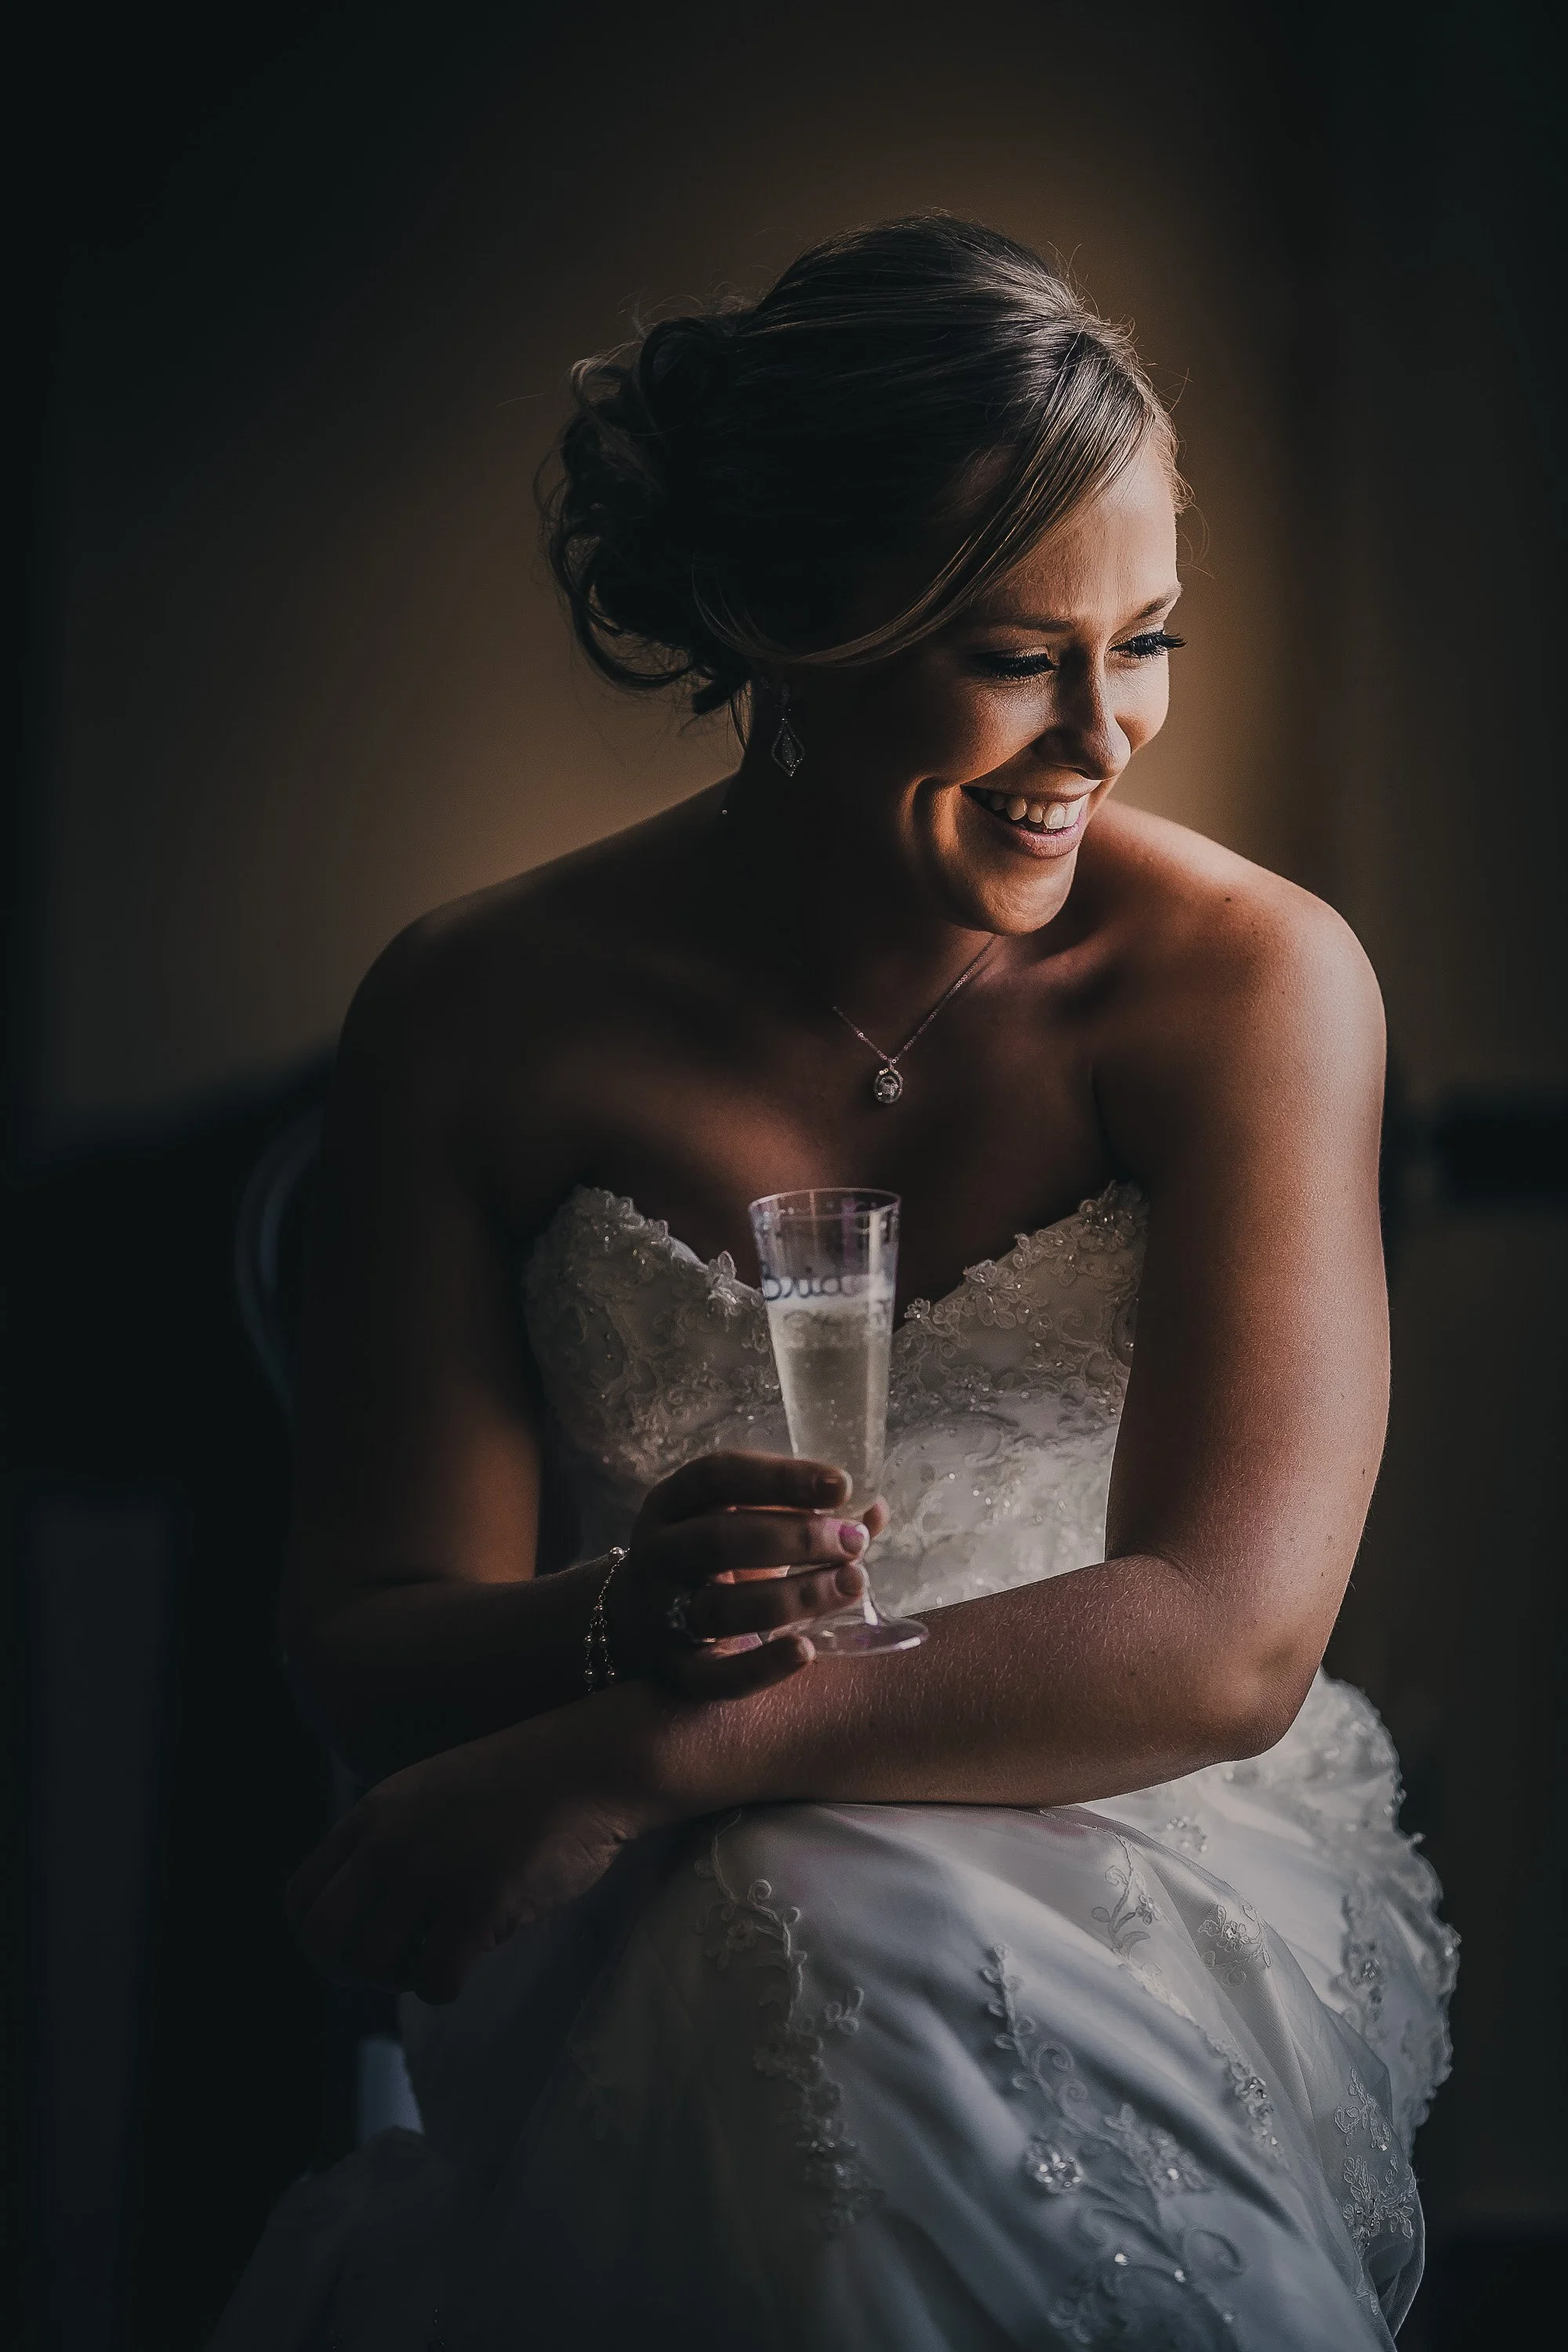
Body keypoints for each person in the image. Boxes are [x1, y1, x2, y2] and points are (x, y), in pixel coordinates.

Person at [212, 216, 1455, 2351]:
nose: (1104, 733)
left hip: (1121, 1818)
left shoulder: (1247, 982)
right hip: (622, 1903)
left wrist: (657, 1753)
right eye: (1011, 651)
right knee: (763, 1941)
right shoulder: (477, 1006)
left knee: (814, 1927)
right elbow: (369, 1644)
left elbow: (1229, 1635)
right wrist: (626, 1623)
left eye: (1144, 642)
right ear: (776, 627)